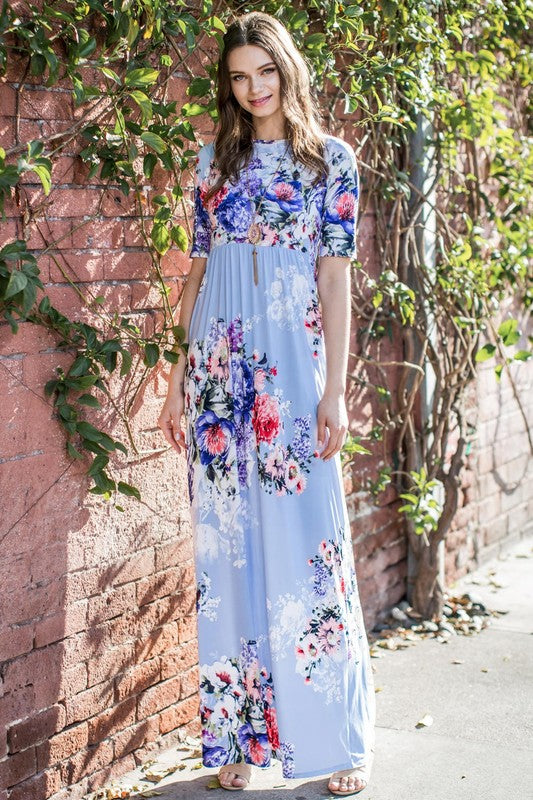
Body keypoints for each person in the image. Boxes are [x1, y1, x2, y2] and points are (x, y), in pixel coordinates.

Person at [157, 10, 376, 797]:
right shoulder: (213, 162)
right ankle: (239, 746)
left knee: (309, 547)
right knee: (229, 553)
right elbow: (196, 268)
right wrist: (176, 375)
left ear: (288, 70)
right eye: (238, 77)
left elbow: (334, 278)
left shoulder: (331, 164)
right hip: (219, 370)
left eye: (265, 72)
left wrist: (334, 391)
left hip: (290, 369)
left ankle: (331, 744)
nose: (253, 89)